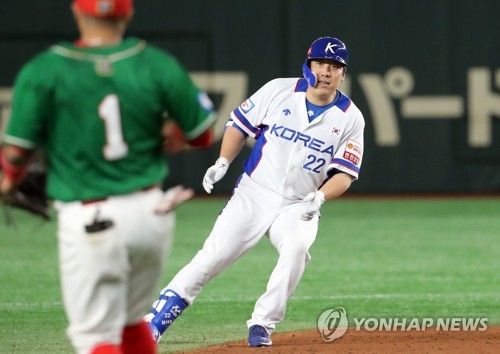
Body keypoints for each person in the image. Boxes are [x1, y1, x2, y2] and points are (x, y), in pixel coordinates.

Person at [0, 0, 216, 353]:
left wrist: (10, 178)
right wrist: (166, 130)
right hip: (150, 213)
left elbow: (16, 152)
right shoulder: (157, 63)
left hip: (90, 217)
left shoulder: (45, 69)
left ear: (76, 11)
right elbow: (202, 134)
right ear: (128, 13)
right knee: (132, 324)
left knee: (96, 337)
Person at [144, 36, 365, 347]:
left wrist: (320, 196)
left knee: (297, 249)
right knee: (211, 258)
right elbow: (239, 125)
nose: (326, 72)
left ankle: (263, 323)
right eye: (321, 64)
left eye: (334, 66)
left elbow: (345, 173)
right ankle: (154, 322)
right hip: (255, 193)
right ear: (308, 65)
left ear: (343, 73)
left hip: (299, 204)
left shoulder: (351, 118)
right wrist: (223, 161)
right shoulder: (278, 90)